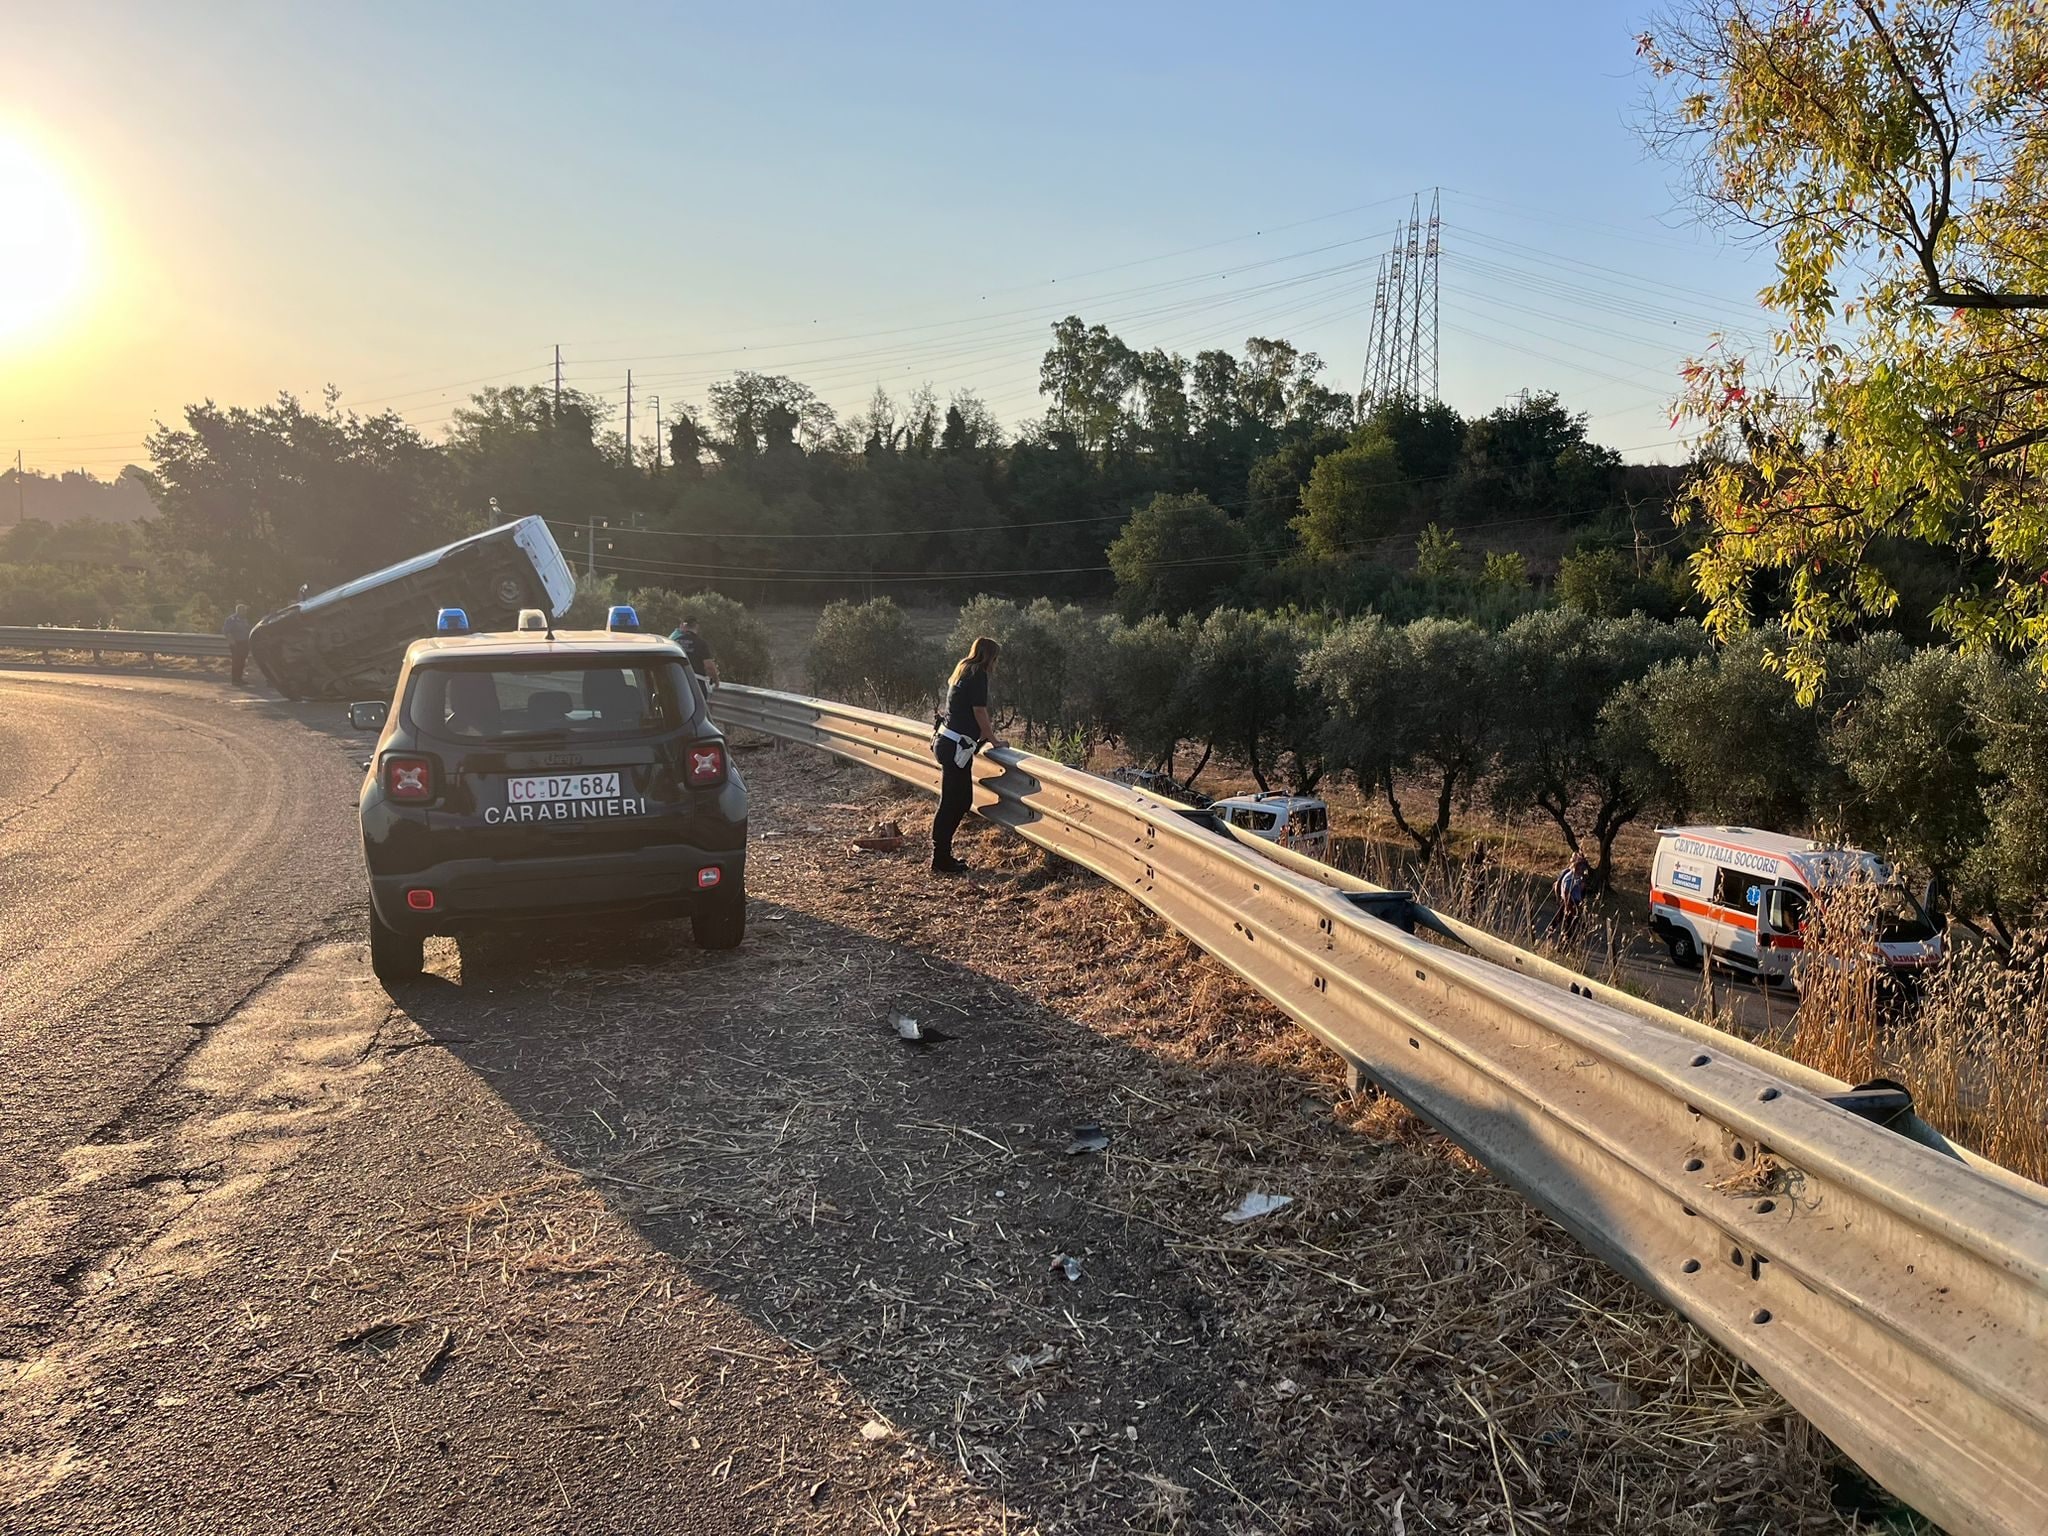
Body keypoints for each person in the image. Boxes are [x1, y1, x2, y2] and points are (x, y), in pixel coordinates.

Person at [931, 635, 1006, 874]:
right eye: (995, 659)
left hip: (946, 741)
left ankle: (942, 856)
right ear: (989, 656)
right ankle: (940, 858)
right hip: (955, 747)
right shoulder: (979, 674)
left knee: (954, 801)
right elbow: (979, 712)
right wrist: (993, 740)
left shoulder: (962, 669)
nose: (995, 664)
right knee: (957, 802)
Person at [1547, 853, 1591, 942]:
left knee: (1568, 921)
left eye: (1583, 867)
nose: (1582, 869)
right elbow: (1566, 892)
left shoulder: (1579, 877)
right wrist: (1569, 907)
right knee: (1568, 922)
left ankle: (1566, 940)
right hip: (1570, 902)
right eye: (1580, 867)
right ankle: (1563, 941)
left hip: (1576, 902)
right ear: (1575, 866)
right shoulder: (1570, 878)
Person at [668, 615, 720, 687]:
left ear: (684, 626)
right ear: (697, 626)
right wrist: (716, 679)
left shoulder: (675, 641)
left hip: (677, 682)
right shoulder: (701, 643)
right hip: (696, 683)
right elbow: (709, 666)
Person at [223, 603, 252, 686]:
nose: (245, 612)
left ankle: (239, 678)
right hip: (236, 643)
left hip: (244, 643)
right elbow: (226, 631)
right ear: (239, 610)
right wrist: (232, 642)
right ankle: (235, 680)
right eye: (243, 610)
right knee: (236, 662)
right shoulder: (232, 619)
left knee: (242, 662)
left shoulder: (244, 620)